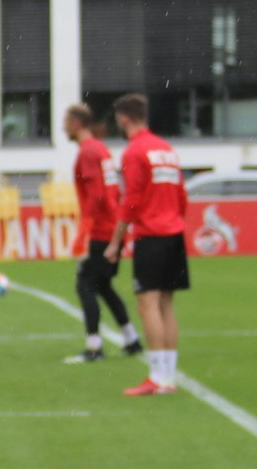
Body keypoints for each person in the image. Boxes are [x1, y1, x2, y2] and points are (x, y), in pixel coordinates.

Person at [106, 93, 189, 397]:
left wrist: (116, 241)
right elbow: (181, 195)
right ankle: (168, 377)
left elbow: (131, 200)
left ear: (124, 118)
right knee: (166, 303)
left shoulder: (134, 151)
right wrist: (174, 221)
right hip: (173, 232)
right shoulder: (165, 149)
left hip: (151, 234)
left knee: (147, 303)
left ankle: (157, 376)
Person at [62, 104, 140, 364]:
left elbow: (96, 194)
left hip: (101, 229)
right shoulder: (101, 149)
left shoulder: (88, 152)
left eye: (66, 122)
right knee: (103, 285)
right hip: (112, 226)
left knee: (85, 284)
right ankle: (131, 339)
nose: (63, 128)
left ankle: (94, 346)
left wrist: (84, 231)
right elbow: (112, 190)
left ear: (77, 123)